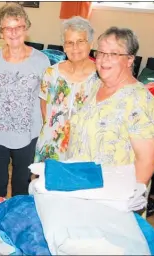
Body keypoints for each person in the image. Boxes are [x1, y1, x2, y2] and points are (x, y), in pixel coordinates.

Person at [67, 27, 154, 200]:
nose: (104, 59)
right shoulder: (94, 85)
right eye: (101, 52)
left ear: (129, 60)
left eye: (113, 54)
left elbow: (150, 157)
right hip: (80, 187)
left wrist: (128, 200)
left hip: (113, 197)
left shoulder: (139, 99)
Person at [0, 3, 50, 197]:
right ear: (1, 32)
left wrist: (46, 135)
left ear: (26, 28)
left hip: (28, 135)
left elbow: (45, 100)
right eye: (7, 28)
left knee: (22, 185)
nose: (13, 32)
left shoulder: (42, 61)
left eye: (17, 26)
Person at [34, 16, 99, 163]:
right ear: (64, 46)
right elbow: (44, 107)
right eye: (69, 43)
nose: (74, 48)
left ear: (91, 43)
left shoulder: (100, 77)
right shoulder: (51, 73)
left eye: (80, 41)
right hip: (51, 146)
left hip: (84, 150)